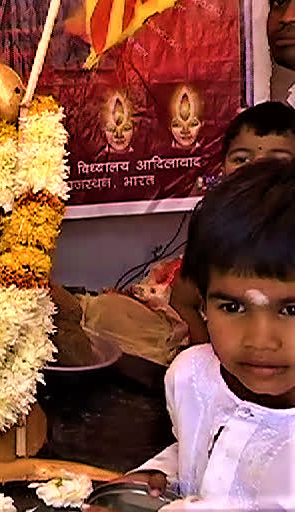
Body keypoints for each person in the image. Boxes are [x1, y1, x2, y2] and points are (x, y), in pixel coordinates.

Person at [108, 158, 295, 510]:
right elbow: (201, 450)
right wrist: (160, 476)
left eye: (291, 310)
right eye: (233, 307)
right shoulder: (192, 378)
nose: (260, 340)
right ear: (203, 304)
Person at [171, 101, 295, 346]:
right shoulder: (216, 229)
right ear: (222, 169)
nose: (257, 168)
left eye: (278, 159)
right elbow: (183, 301)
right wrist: (209, 357)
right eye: (241, 159)